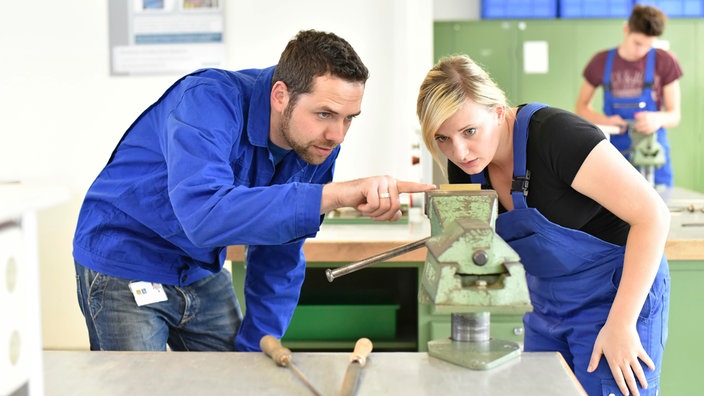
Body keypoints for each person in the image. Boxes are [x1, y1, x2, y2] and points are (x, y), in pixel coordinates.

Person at [73, 29, 435, 353]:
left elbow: (280, 250)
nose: (337, 135)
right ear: (281, 96)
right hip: (126, 261)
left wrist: (258, 348)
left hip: (199, 267)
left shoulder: (315, 145)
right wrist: (333, 196)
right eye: (324, 113)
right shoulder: (207, 101)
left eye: (348, 118)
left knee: (239, 379)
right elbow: (205, 214)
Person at [416, 54, 670, 396]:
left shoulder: (556, 136)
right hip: (547, 304)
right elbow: (477, 251)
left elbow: (653, 215)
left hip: (617, 297)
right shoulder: (469, 167)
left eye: (469, 131)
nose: (459, 151)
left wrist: (622, 324)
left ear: (497, 110)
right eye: (443, 138)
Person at [575, 4, 683, 188]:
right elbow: (581, 108)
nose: (642, 50)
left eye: (649, 45)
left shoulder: (665, 61)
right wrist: (606, 121)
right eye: (638, 43)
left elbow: (674, 115)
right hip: (614, 153)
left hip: (652, 154)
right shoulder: (600, 62)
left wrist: (657, 119)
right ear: (626, 29)